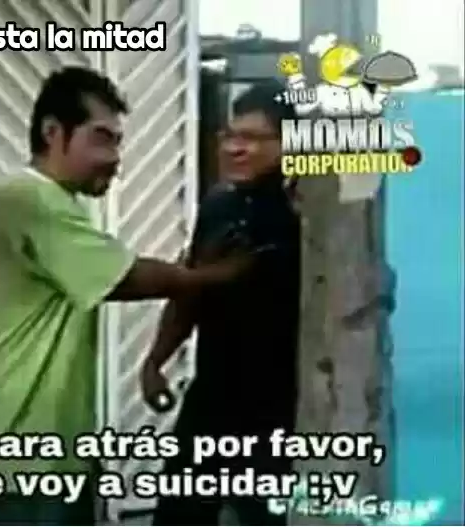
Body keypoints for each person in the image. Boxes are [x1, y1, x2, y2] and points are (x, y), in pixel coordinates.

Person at [0, 66, 264, 526]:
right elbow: (128, 278)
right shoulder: (28, 199)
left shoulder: (55, 203)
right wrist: (222, 274)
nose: (114, 158)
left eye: (118, 142)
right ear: (53, 133)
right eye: (101, 139)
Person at [142, 80, 302, 526]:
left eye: (251, 138)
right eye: (229, 135)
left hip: (276, 408)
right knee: (179, 515)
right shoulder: (217, 206)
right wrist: (155, 360)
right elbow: (191, 290)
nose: (234, 148)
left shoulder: (304, 215)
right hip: (212, 396)